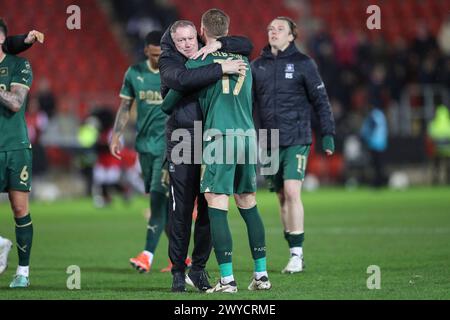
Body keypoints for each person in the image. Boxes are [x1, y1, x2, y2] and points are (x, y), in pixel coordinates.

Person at [163, 9, 271, 294]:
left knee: (216, 203)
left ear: (201, 30)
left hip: (219, 137)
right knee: (248, 201)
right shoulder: (244, 60)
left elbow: (167, 102)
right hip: (248, 136)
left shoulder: (198, 61)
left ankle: (227, 280)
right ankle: (261, 275)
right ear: (228, 30)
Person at [251, 17, 335, 273]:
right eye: (270, 28)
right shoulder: (257, 67)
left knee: (291, 191)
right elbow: (250, 105)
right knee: (280, 197)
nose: (273, 32)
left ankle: (297, 255)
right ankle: (293, 249)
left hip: (296, 137)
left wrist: (328, 134)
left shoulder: (304, 64)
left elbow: (321, 100)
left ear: (291, 36)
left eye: (280, 29)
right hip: (267, 140)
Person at [110, 31, 173, 273]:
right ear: (146, 50)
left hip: (167, 148)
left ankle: (147, 255)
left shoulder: (172, 72)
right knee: (163, 206)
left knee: (157, 201)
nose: (159, 58)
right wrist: (116, 134)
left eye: (162, 54)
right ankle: (182, 258)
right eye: (155, 54)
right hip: (144, 147)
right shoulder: (135, 73)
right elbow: (125, 106)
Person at [0, 26, 43, 277]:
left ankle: (23, 272)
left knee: (19, 209)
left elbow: (16, 103)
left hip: (15, 147)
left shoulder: (20, 65)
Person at [360, 104, 388, 188]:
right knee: (378, 165)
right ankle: (380, 181)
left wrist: (367, 136)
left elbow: (373, 125)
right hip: (381, 143)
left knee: (376, 165)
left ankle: (377, 182)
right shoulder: (380, 115)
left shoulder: (374, 114)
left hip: (375, 143)